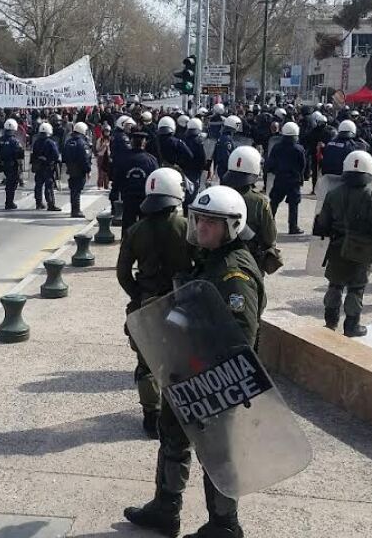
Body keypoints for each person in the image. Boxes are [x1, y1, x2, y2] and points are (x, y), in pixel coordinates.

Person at [124, 185, 263, 538]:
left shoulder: (234, 273)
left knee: (216, 454)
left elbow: (239, 338)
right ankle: (165, 509)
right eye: (198, 220)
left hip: (213, 377)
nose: (200, 228)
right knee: (171, 434)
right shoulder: (210, 259)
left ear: (231, 227)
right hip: (187, 370)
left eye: (211, 224)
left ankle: (224, 526)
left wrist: (189, 329)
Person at [115, 168, 193, 438]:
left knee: (146, 364)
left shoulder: (135, 230)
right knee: (184, 360)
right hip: (182, 304)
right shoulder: (187, 227)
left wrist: (138, 295)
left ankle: (151, 416)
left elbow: (123, 273)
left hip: (146, 303)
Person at [313, 151, 372, 337]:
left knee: (335, 285)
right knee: (356, 288)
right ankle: (351, 325)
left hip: (337, 247)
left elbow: (322, 224)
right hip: (361, 250)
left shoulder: (333, 194)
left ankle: (330, 322)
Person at [222, 145, 279, 270]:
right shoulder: (259, 201)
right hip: (249, 263)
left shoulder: (217, 194)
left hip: (219, 261)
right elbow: (270, 238)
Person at [264, 121, 306, 234]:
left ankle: (267, 224)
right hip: (294, 180)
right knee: (293, 205)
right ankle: (293, 227)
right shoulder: (299, 149)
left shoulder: (277, 147)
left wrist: (274, 171)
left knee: (274, 203)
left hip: (280, 178)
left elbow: (270, 163)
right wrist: (302, 177)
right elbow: (303, 165)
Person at [117, 131, 159, 233]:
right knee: (145, 226)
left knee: (127, 225)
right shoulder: (151, 160)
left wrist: (116, 193)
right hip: (145, 198)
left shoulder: (124, 158)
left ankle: (126, 244)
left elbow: (118, 177)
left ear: (131, 142)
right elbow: (155, 180)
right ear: (144, 143)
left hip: (128, 197)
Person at [62, 121, 93, 217]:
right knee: (77, 190)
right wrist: (88, 170)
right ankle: (76, 210)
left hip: (71, 169)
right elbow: (85, 158)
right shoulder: (82, 143)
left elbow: (64, 156)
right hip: (80, 170)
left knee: (73, 190)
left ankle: (73, 209)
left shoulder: (68, 141)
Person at [32, 122, 61, 211]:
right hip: (48, 167)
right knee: (49, 186)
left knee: (38, 185)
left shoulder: (36, 142)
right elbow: (56, 155)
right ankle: (51, 204)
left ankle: (38, 203)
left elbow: (34, 154)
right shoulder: (51, 143)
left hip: (38, 166)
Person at [0, 119, 25, 209]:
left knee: (8, 183)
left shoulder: (0, 140)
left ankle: (8, 201)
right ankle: (9, 202)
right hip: (12, 165)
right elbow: (20, 154)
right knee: (12, 184)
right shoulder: (15, 141)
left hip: (3, 164)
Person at [211, 115, 240, 182]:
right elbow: (226, 156)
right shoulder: (227, 139)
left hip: (222, 168)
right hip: (225, 170)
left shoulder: (223, 137)